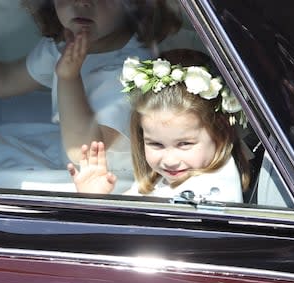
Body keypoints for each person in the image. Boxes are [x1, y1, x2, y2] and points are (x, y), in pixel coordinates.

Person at [0, 0, 182, 163]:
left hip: (101, 179)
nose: (81, 2)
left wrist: (68, 78)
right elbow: (7, 78)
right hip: (64, 152)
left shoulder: (134, 69)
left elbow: (85, 151)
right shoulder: (68, 44)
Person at [68, 51, 251, 202]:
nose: (170, 160)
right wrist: (96, 199)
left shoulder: (205, 194)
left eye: (184, 144)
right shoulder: (182, 175)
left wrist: (98, 203)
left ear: (220, 131)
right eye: (156, 144)